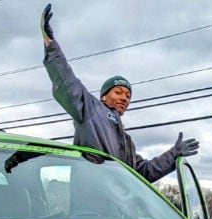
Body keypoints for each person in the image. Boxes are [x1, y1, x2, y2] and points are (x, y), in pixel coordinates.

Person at [40, 4, 199, 183]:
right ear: (103, 97)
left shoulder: (126, 143)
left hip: (119, 209)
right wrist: (51, 45)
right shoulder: (90, 110)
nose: (124, 97)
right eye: (118, 92)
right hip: (90, 205)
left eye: (128, 95)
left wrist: (174, 154)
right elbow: (67, 83)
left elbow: (143, 172)